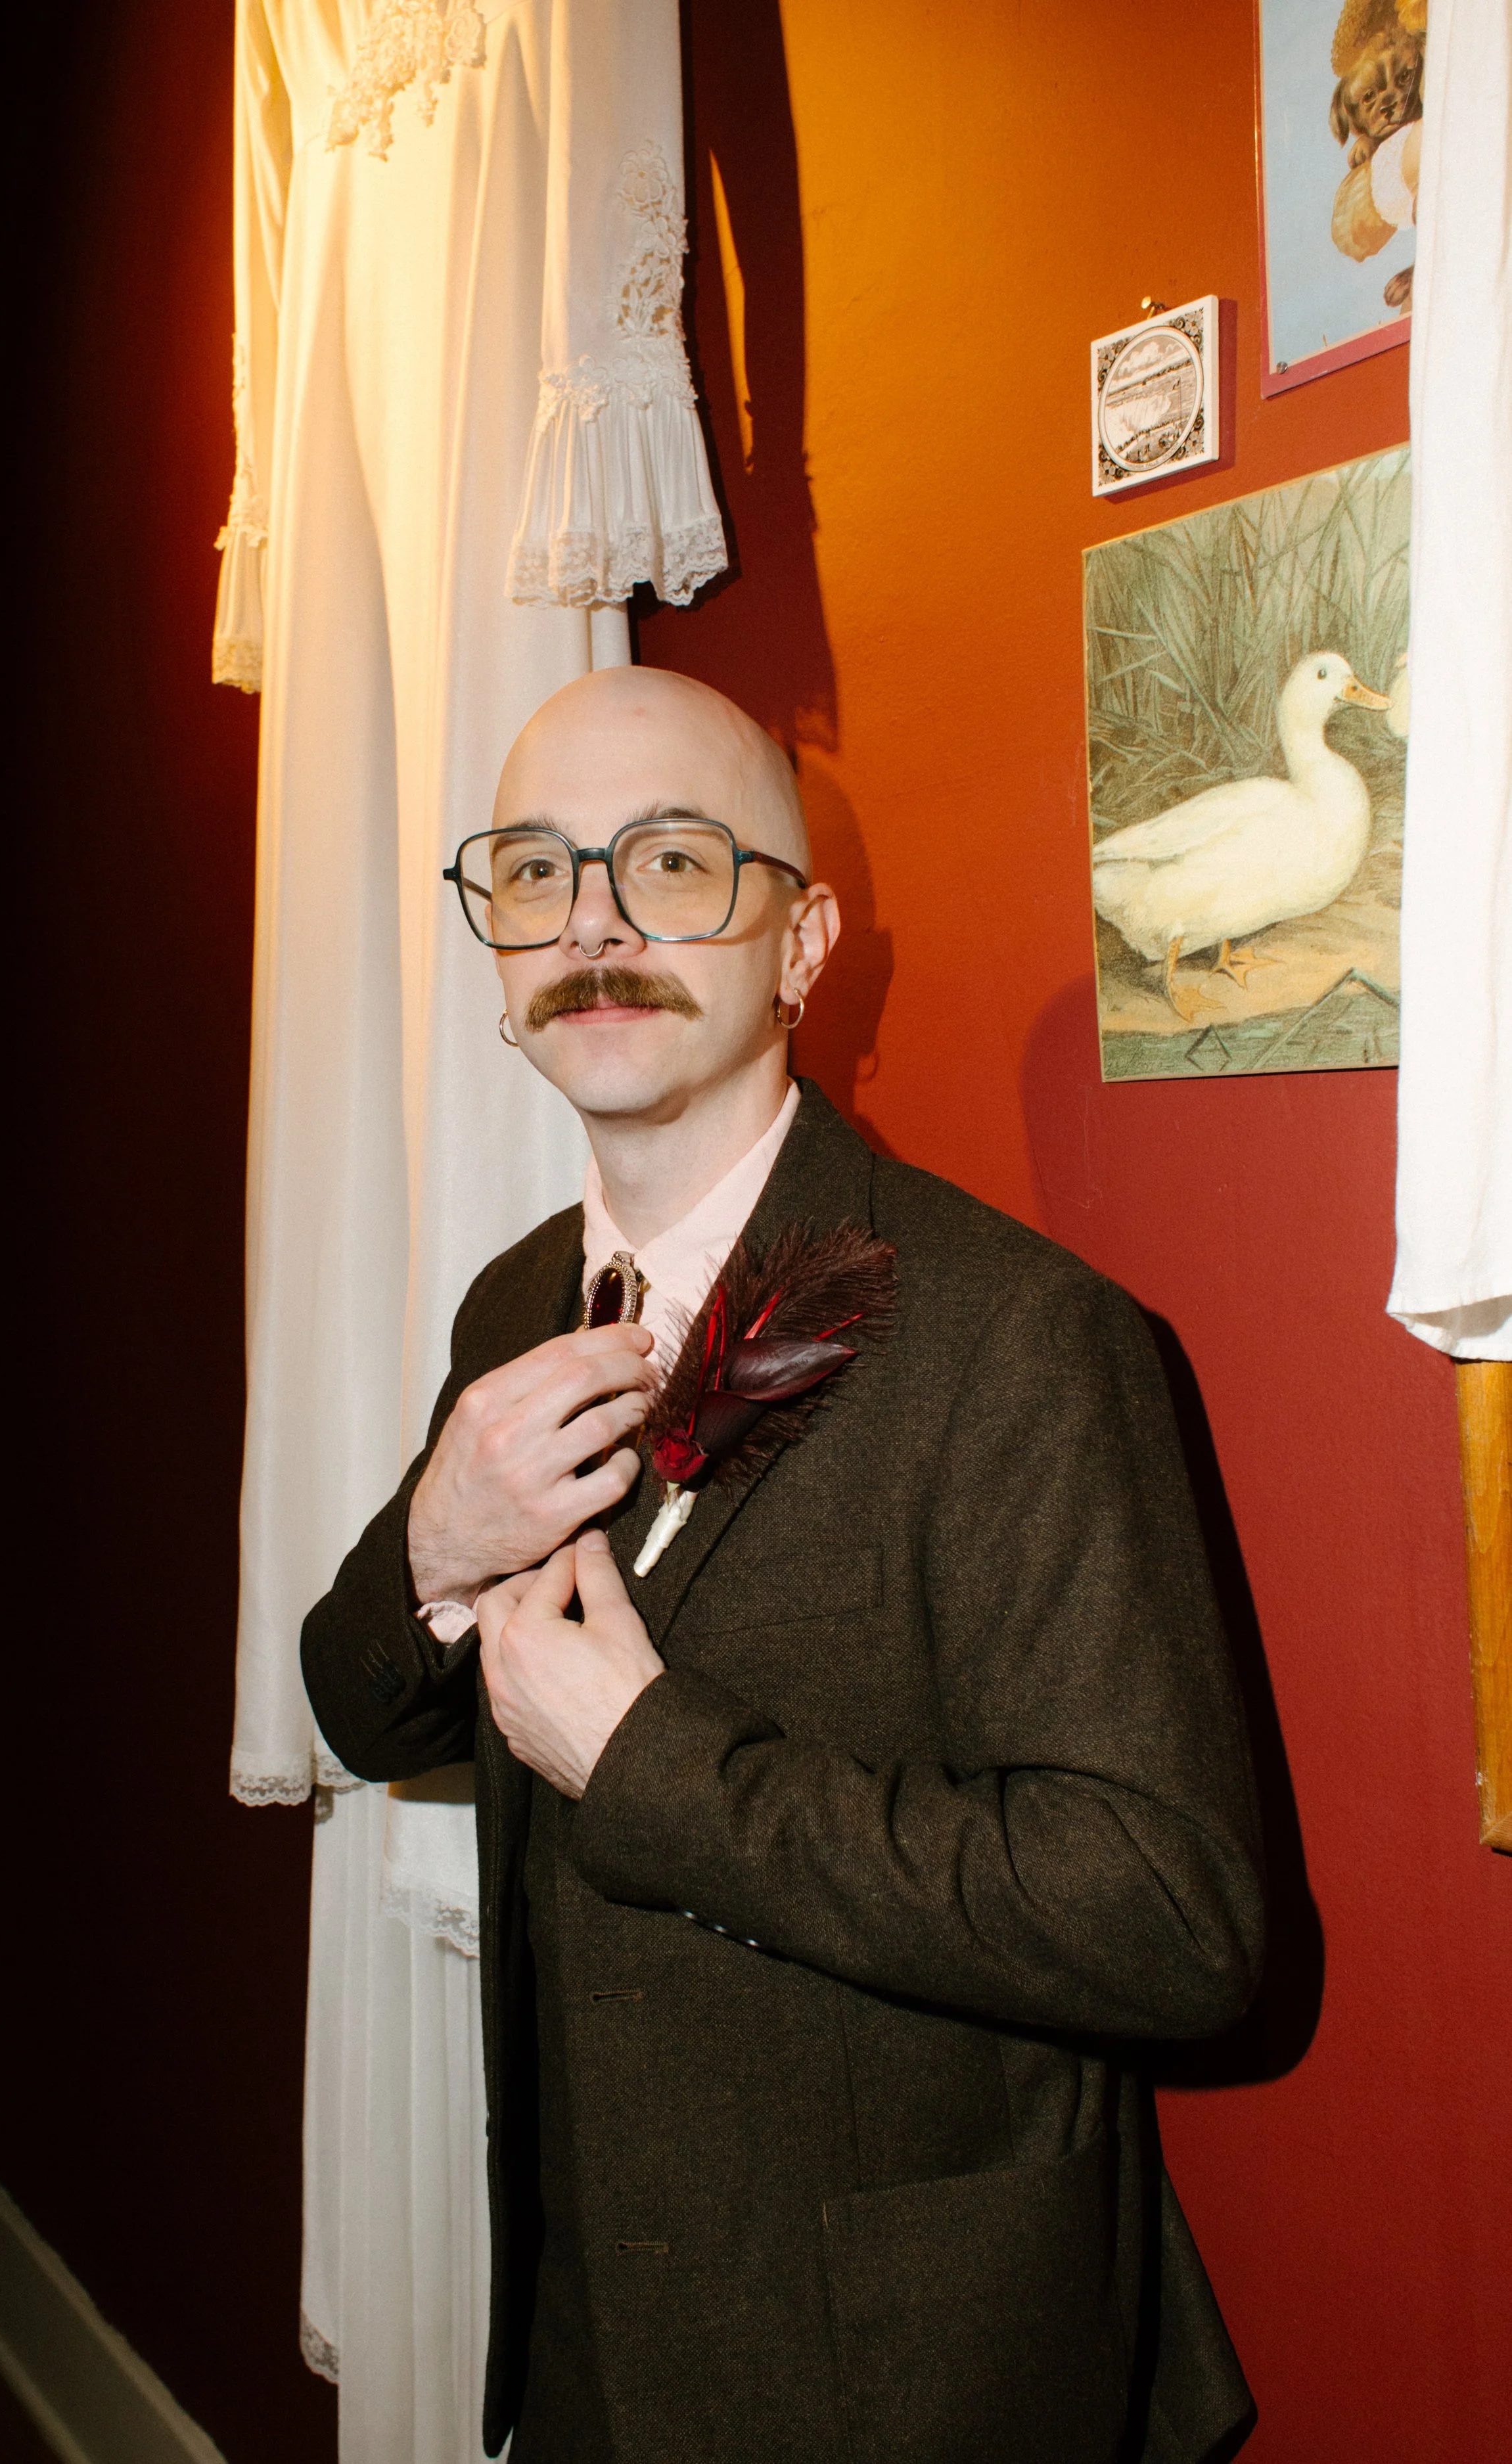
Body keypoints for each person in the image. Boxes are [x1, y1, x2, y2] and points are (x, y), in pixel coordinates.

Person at [301, 666, 1266, 2464]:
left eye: (671, 861)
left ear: (801, 944)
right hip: (588, 2347)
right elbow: (360, 1712)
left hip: (908, 2374)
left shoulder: (1024, 1339)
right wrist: (436, 1540)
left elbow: (1170, 1916)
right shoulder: (511, 1303)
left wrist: (654, 1766)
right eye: (537, 871)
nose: (593, 926)